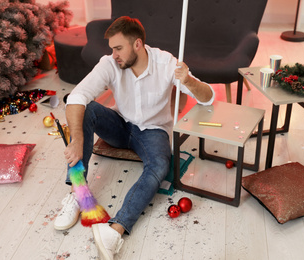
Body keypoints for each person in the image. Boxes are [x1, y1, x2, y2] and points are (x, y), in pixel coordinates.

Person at [54, 16, 215, 259]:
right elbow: (77, 96)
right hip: (121, 126)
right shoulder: (110, 63)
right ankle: (78, 194)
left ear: (137, 44)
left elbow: (208, 97)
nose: (114, 54)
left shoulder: (166, 62)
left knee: (161, 165)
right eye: (112, 49)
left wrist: (189, 81)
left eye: (118, 48)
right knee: (87, 109)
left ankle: (115, 231)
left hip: (153, 131)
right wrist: (77, 139)